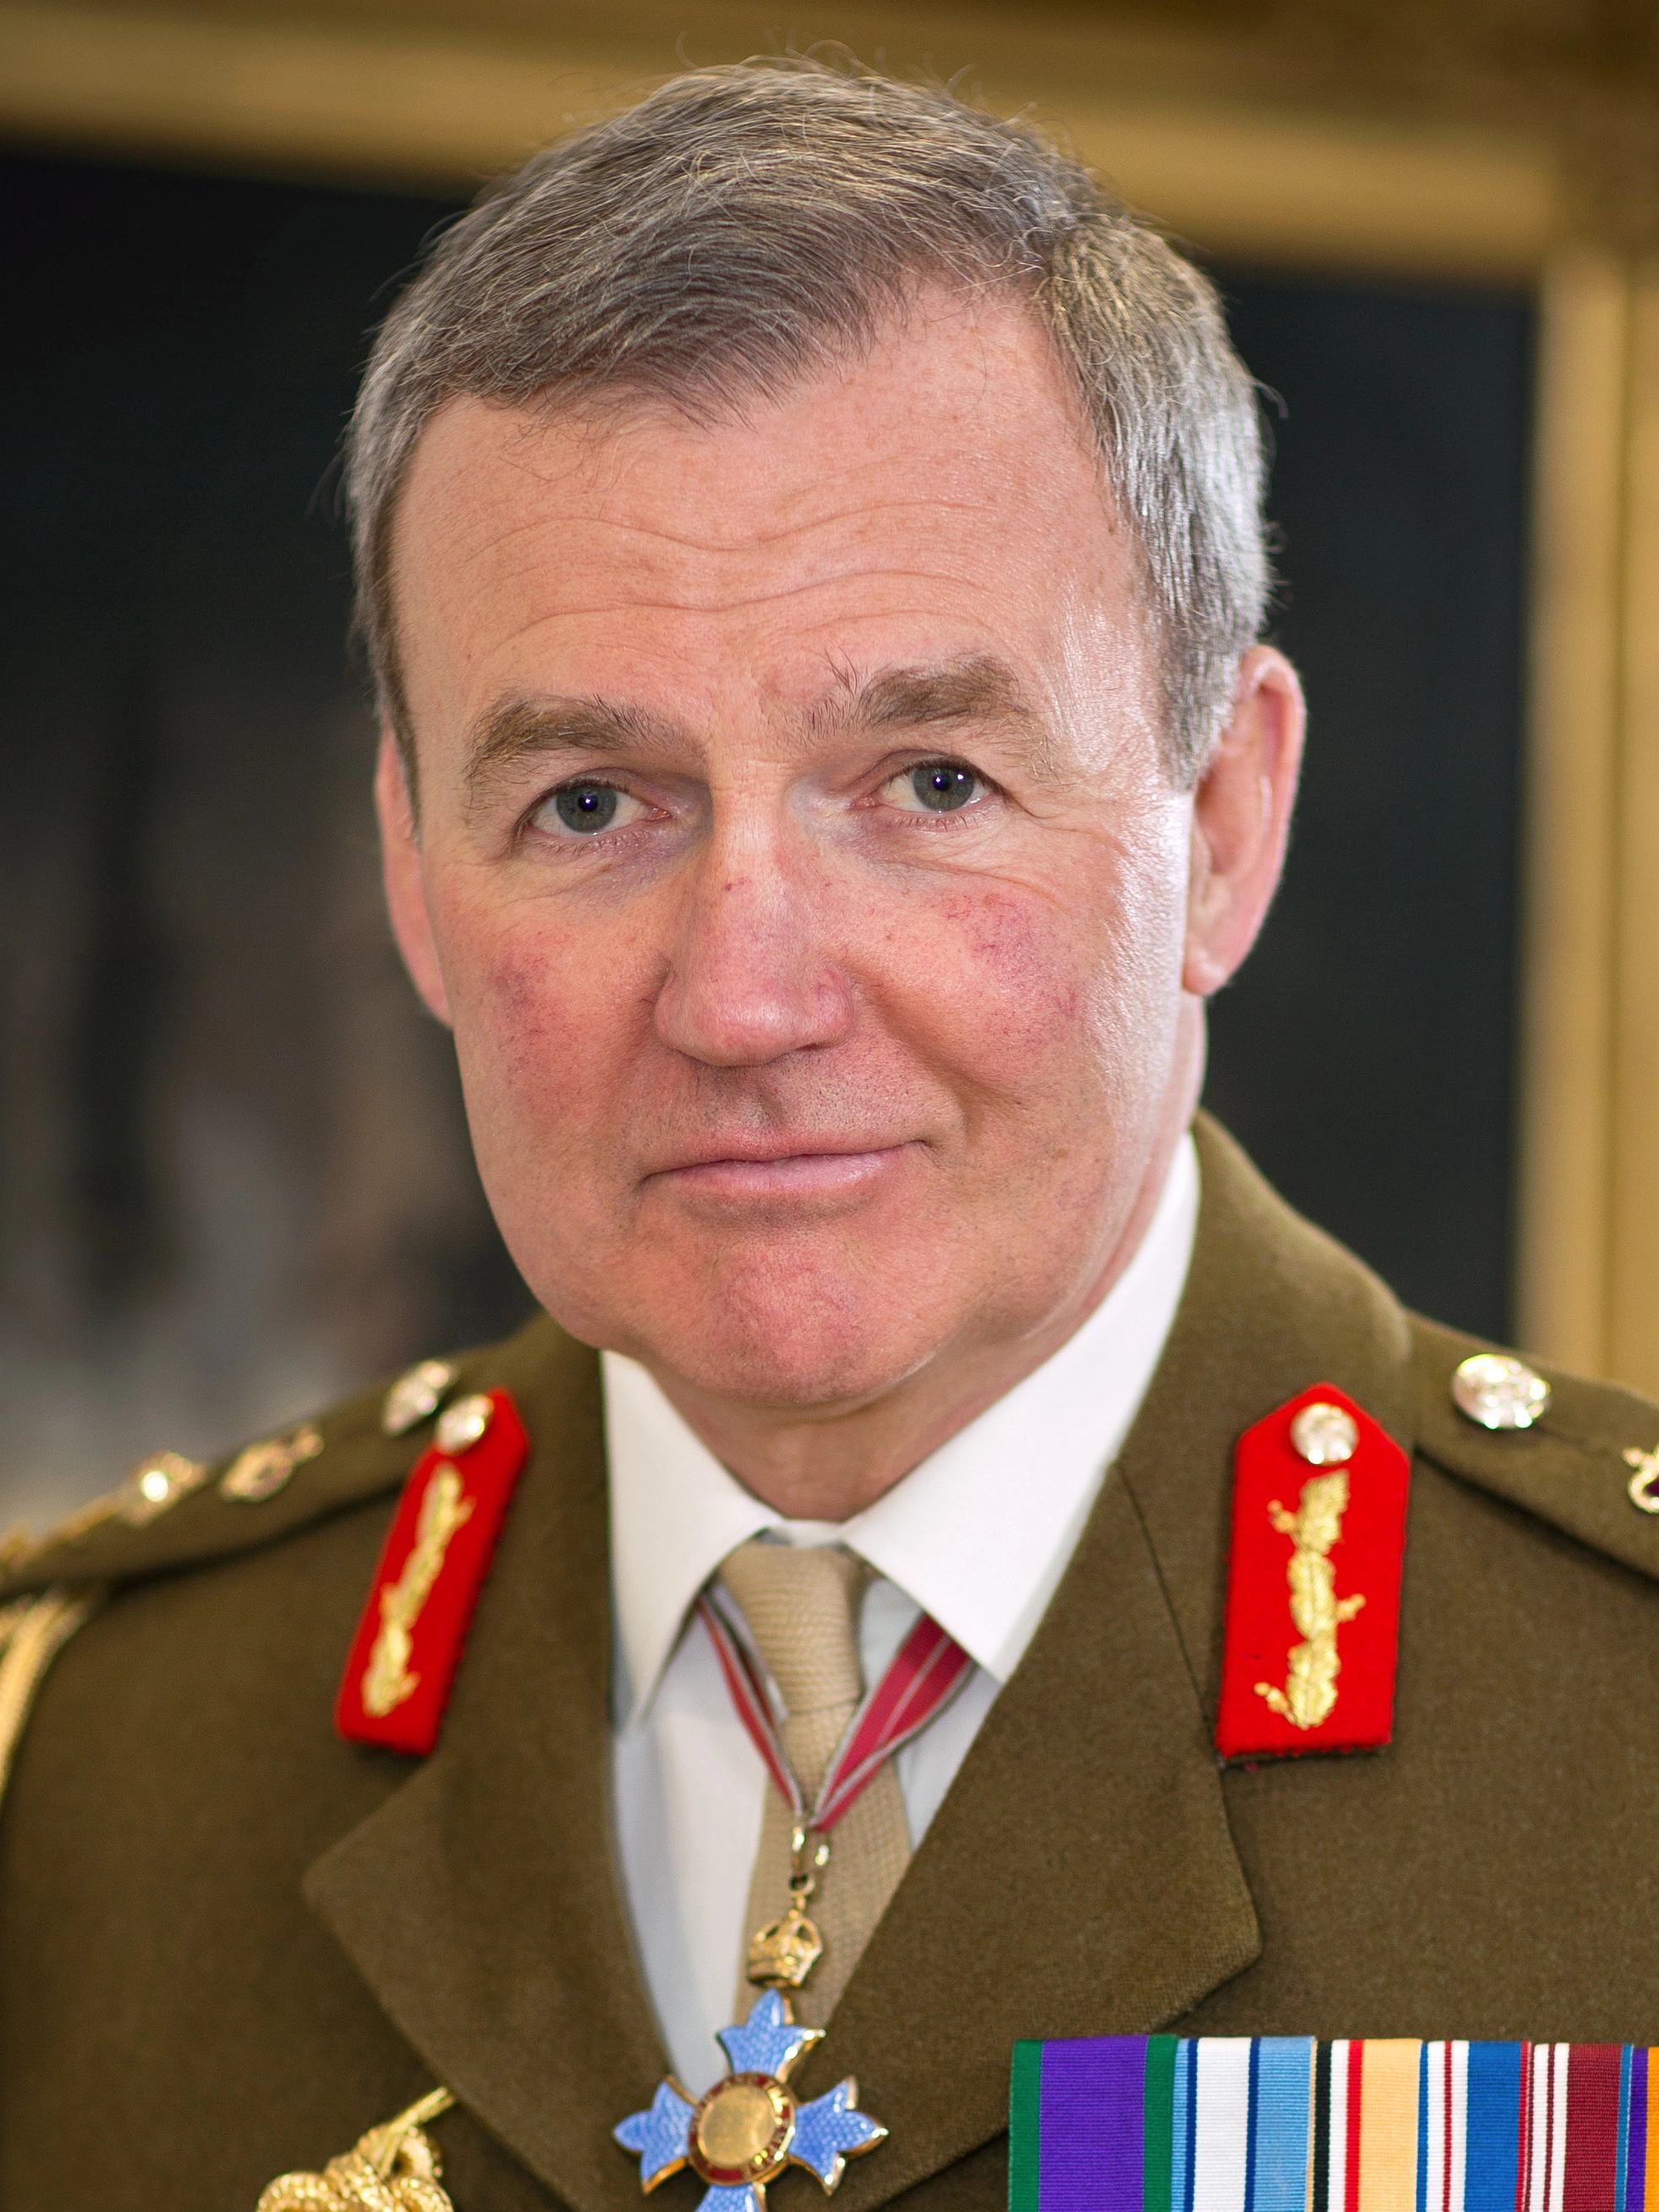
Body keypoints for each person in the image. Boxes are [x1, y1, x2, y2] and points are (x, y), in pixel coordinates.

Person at [3, 58, 1657, 2212]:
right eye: (588, 803)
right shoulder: (95, 1750)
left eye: (928, 783)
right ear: (411, 870)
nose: (743, 997)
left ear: (1221, 820)